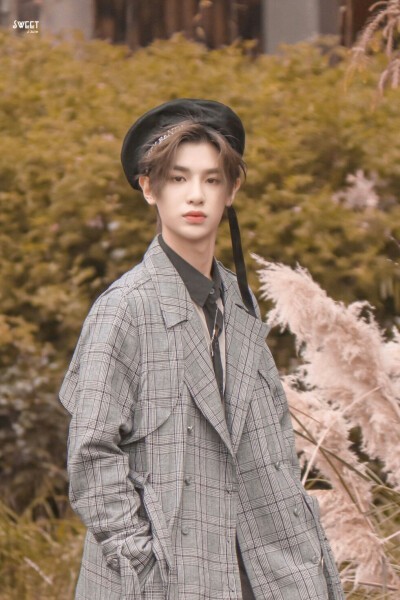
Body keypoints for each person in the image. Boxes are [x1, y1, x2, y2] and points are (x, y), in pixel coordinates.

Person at [59, 99, 345, 600]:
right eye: (178, 178)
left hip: (268, 565)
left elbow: (273, 439)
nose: (196, 195)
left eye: (212, 180)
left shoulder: (239, 301)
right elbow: (91, 455)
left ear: (232, 191)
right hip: (164, 576)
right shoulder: (124, 309)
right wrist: (142, 565)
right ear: (149, 188)